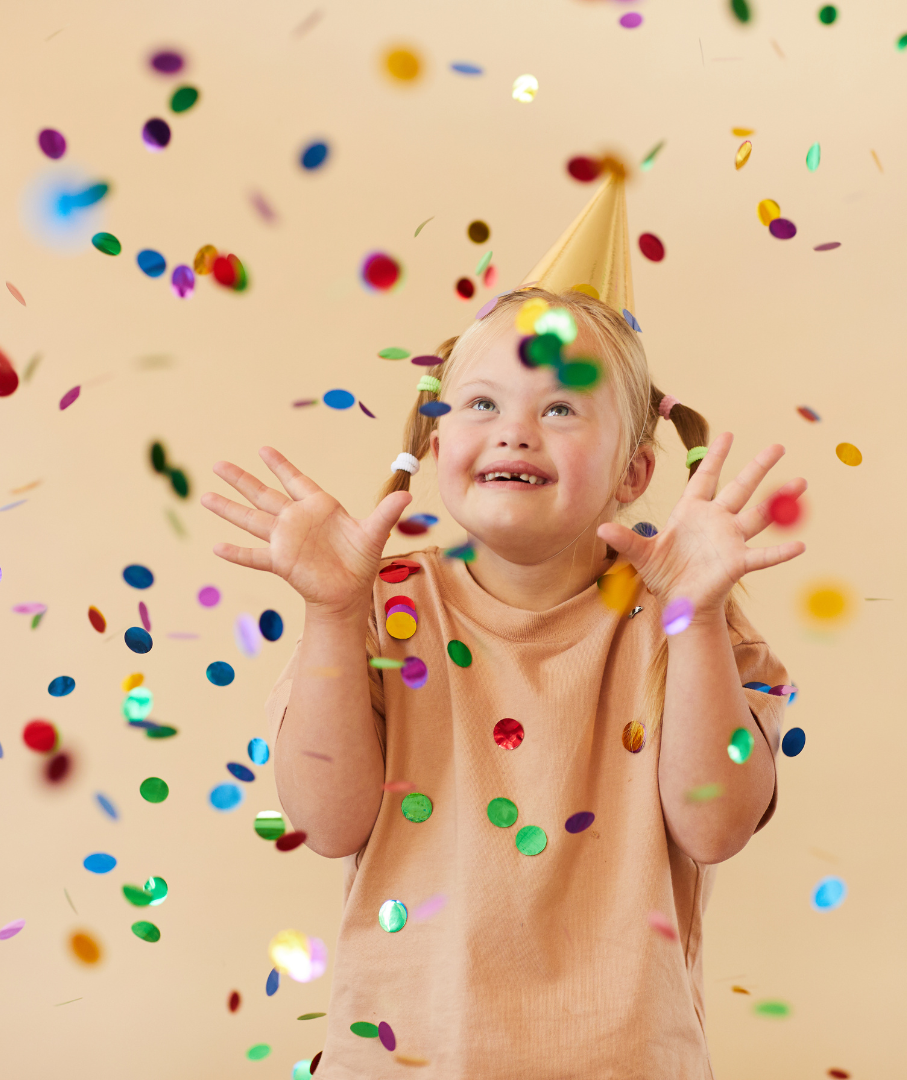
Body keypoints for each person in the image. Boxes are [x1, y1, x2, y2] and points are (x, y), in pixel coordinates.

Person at [202, 169, 805, 1079]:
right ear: (438, 441)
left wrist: (698, 617)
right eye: (481, 403)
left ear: (635, 472)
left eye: (561, 407)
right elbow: (325, 821)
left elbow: (715, 828)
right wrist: (330, 613)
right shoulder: (381, 609)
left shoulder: (691, 624)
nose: (515, 430)